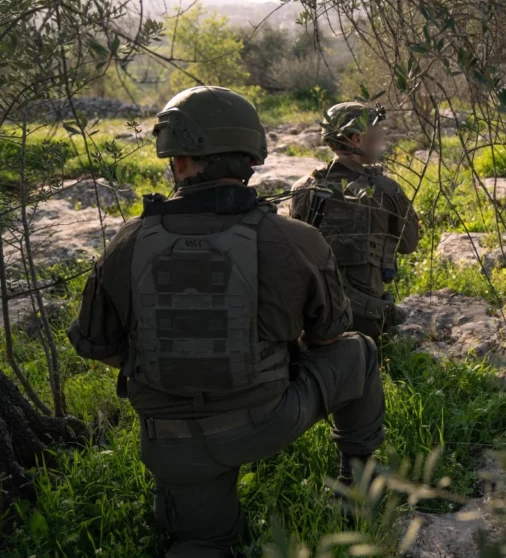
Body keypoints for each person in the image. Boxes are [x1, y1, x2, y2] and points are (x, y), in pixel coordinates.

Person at [67, 86, 385, 558]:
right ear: (251, 158)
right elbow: (330, 336)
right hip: (265, 421)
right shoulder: (298, 239)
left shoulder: (127, 242)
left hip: (172, 445)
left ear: (178, 162)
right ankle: (356, 488)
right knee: (358, 350)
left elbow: (94, 343)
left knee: (203, 543)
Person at [291, 102, 420, 344]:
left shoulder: (303, 188)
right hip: (370, 322)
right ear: (356, 139)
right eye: (375, 136)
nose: (380, 142)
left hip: (315, 320)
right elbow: (409, 244)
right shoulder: (385, 188)